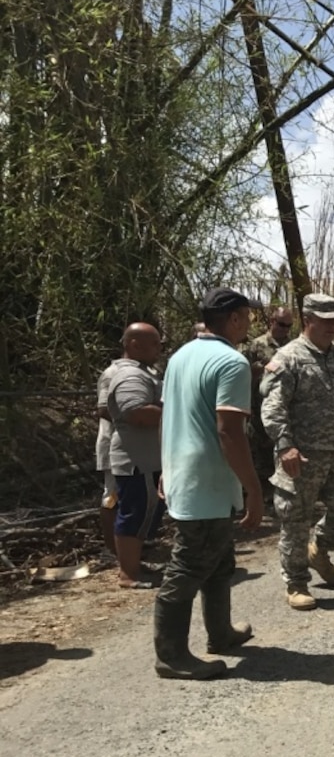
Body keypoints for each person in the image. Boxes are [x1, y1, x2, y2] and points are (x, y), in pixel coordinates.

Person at [154, 288, 263, 680]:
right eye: (247, 316)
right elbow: (229, 432)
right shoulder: (232, 363)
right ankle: (170, 654)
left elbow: (170, 419)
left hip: (187, 474)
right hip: (208, 480)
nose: (250, 323)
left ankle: (220, 633)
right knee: (189, 565)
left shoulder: (180, 357)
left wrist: (166, 468)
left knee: (219, 560)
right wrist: (253, 487)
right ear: (233, 319)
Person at [261, 293, 334, 610]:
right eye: (326, 321)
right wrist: (285, 446)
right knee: (295, 520)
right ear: (308, 320)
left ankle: (319, 550)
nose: (333, 327)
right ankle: (296, 583)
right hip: (301, 455)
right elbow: (273, 408)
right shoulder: (288, 358)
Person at [107, 323, 166, 589]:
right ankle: (128, 574)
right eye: (154, 343)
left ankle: (135, 565)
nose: (159, 348)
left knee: (146, 512)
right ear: (133, 344)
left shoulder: (143, 372)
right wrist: (180, 412)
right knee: (134, 513)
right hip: (136, 461)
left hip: (148, 460)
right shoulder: (130, 376)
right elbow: (138, 412)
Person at [243, 307, 294, 492]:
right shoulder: (256, 345)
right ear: (271, 321)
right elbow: (241, 375)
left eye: (289, 326)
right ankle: (259, 496)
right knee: (259, 456)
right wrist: (254, 372)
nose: (285, 329)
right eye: (281, 324)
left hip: (285, 410)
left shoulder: (293, 347)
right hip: (258, 409)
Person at [94, 351, 129, 563]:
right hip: (114, 444)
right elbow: (103, 409)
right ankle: (111, 550)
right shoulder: (111, 373)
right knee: (112, 496)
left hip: (135, 447)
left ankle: (129, 546)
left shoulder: (151, 372)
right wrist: (136, 418)